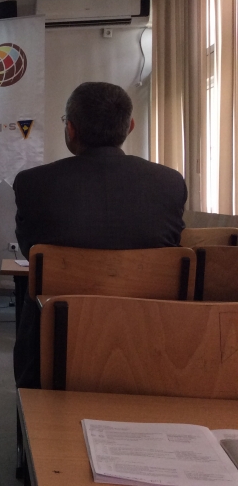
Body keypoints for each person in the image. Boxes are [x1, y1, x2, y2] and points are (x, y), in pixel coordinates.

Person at [12, 82, 187, 387]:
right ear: (130, 127)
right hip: (153, 344)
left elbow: (31, 251)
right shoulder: (169, 184)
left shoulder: (32, 184)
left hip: (53, 350)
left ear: (71, 129)